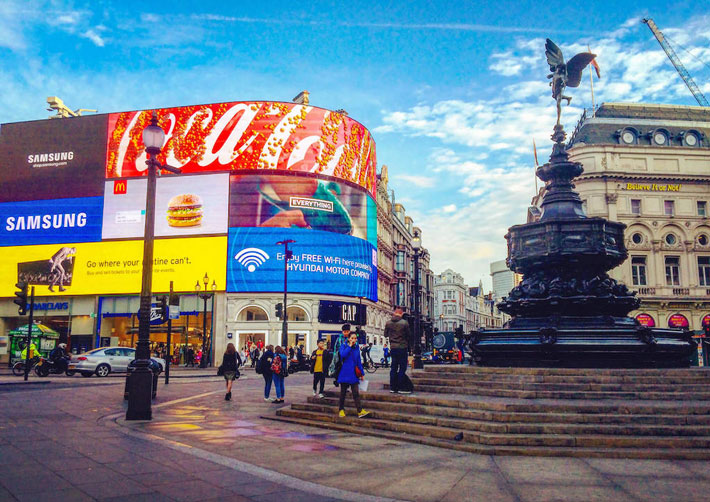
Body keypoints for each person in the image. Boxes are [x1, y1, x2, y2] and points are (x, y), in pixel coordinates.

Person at [337, 332, 370, 418]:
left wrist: (362, 373)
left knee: (356, 393)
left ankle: (360, 411)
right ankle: (341, 410)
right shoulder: (344, 346)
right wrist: (349, 346)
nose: (354, 340)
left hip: (354, 373)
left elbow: (358, 361)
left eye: (355, 338)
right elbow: (343, 355)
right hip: (345, 372)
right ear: (348, 338)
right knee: (343, 393)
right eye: (352, 338)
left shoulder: (356, 348)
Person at [385, 307, 411, 394]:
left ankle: (393, 387)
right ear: (401, 313)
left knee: (393, 368)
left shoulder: (388, 323)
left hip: (393, 347)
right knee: (402, 368)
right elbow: (408, 335)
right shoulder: (404, 323)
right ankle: (401, 387)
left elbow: (385, 334)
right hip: (402, 347)